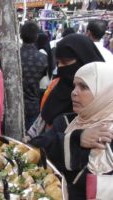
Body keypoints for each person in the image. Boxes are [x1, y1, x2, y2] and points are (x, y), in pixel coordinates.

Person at [30, 62, 113, 200]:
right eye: (74, 86)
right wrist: (76, 138)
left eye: (84, 87)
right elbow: (33, 148)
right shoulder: (66, 122)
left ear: (105, 92)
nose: (74, 93)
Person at [40, 34, 105, 128]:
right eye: (58, 62)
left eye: (65, 62)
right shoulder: (55, 84)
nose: (60, 67)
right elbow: (41, 122)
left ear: (83, 60)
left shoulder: (102, 95)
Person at [20, 21, 48, 131]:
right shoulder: (43, 58)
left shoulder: (12, 55)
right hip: (33, 105)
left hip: (12, 106)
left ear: (21, 35)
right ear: (37, 36)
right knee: (30, 142)